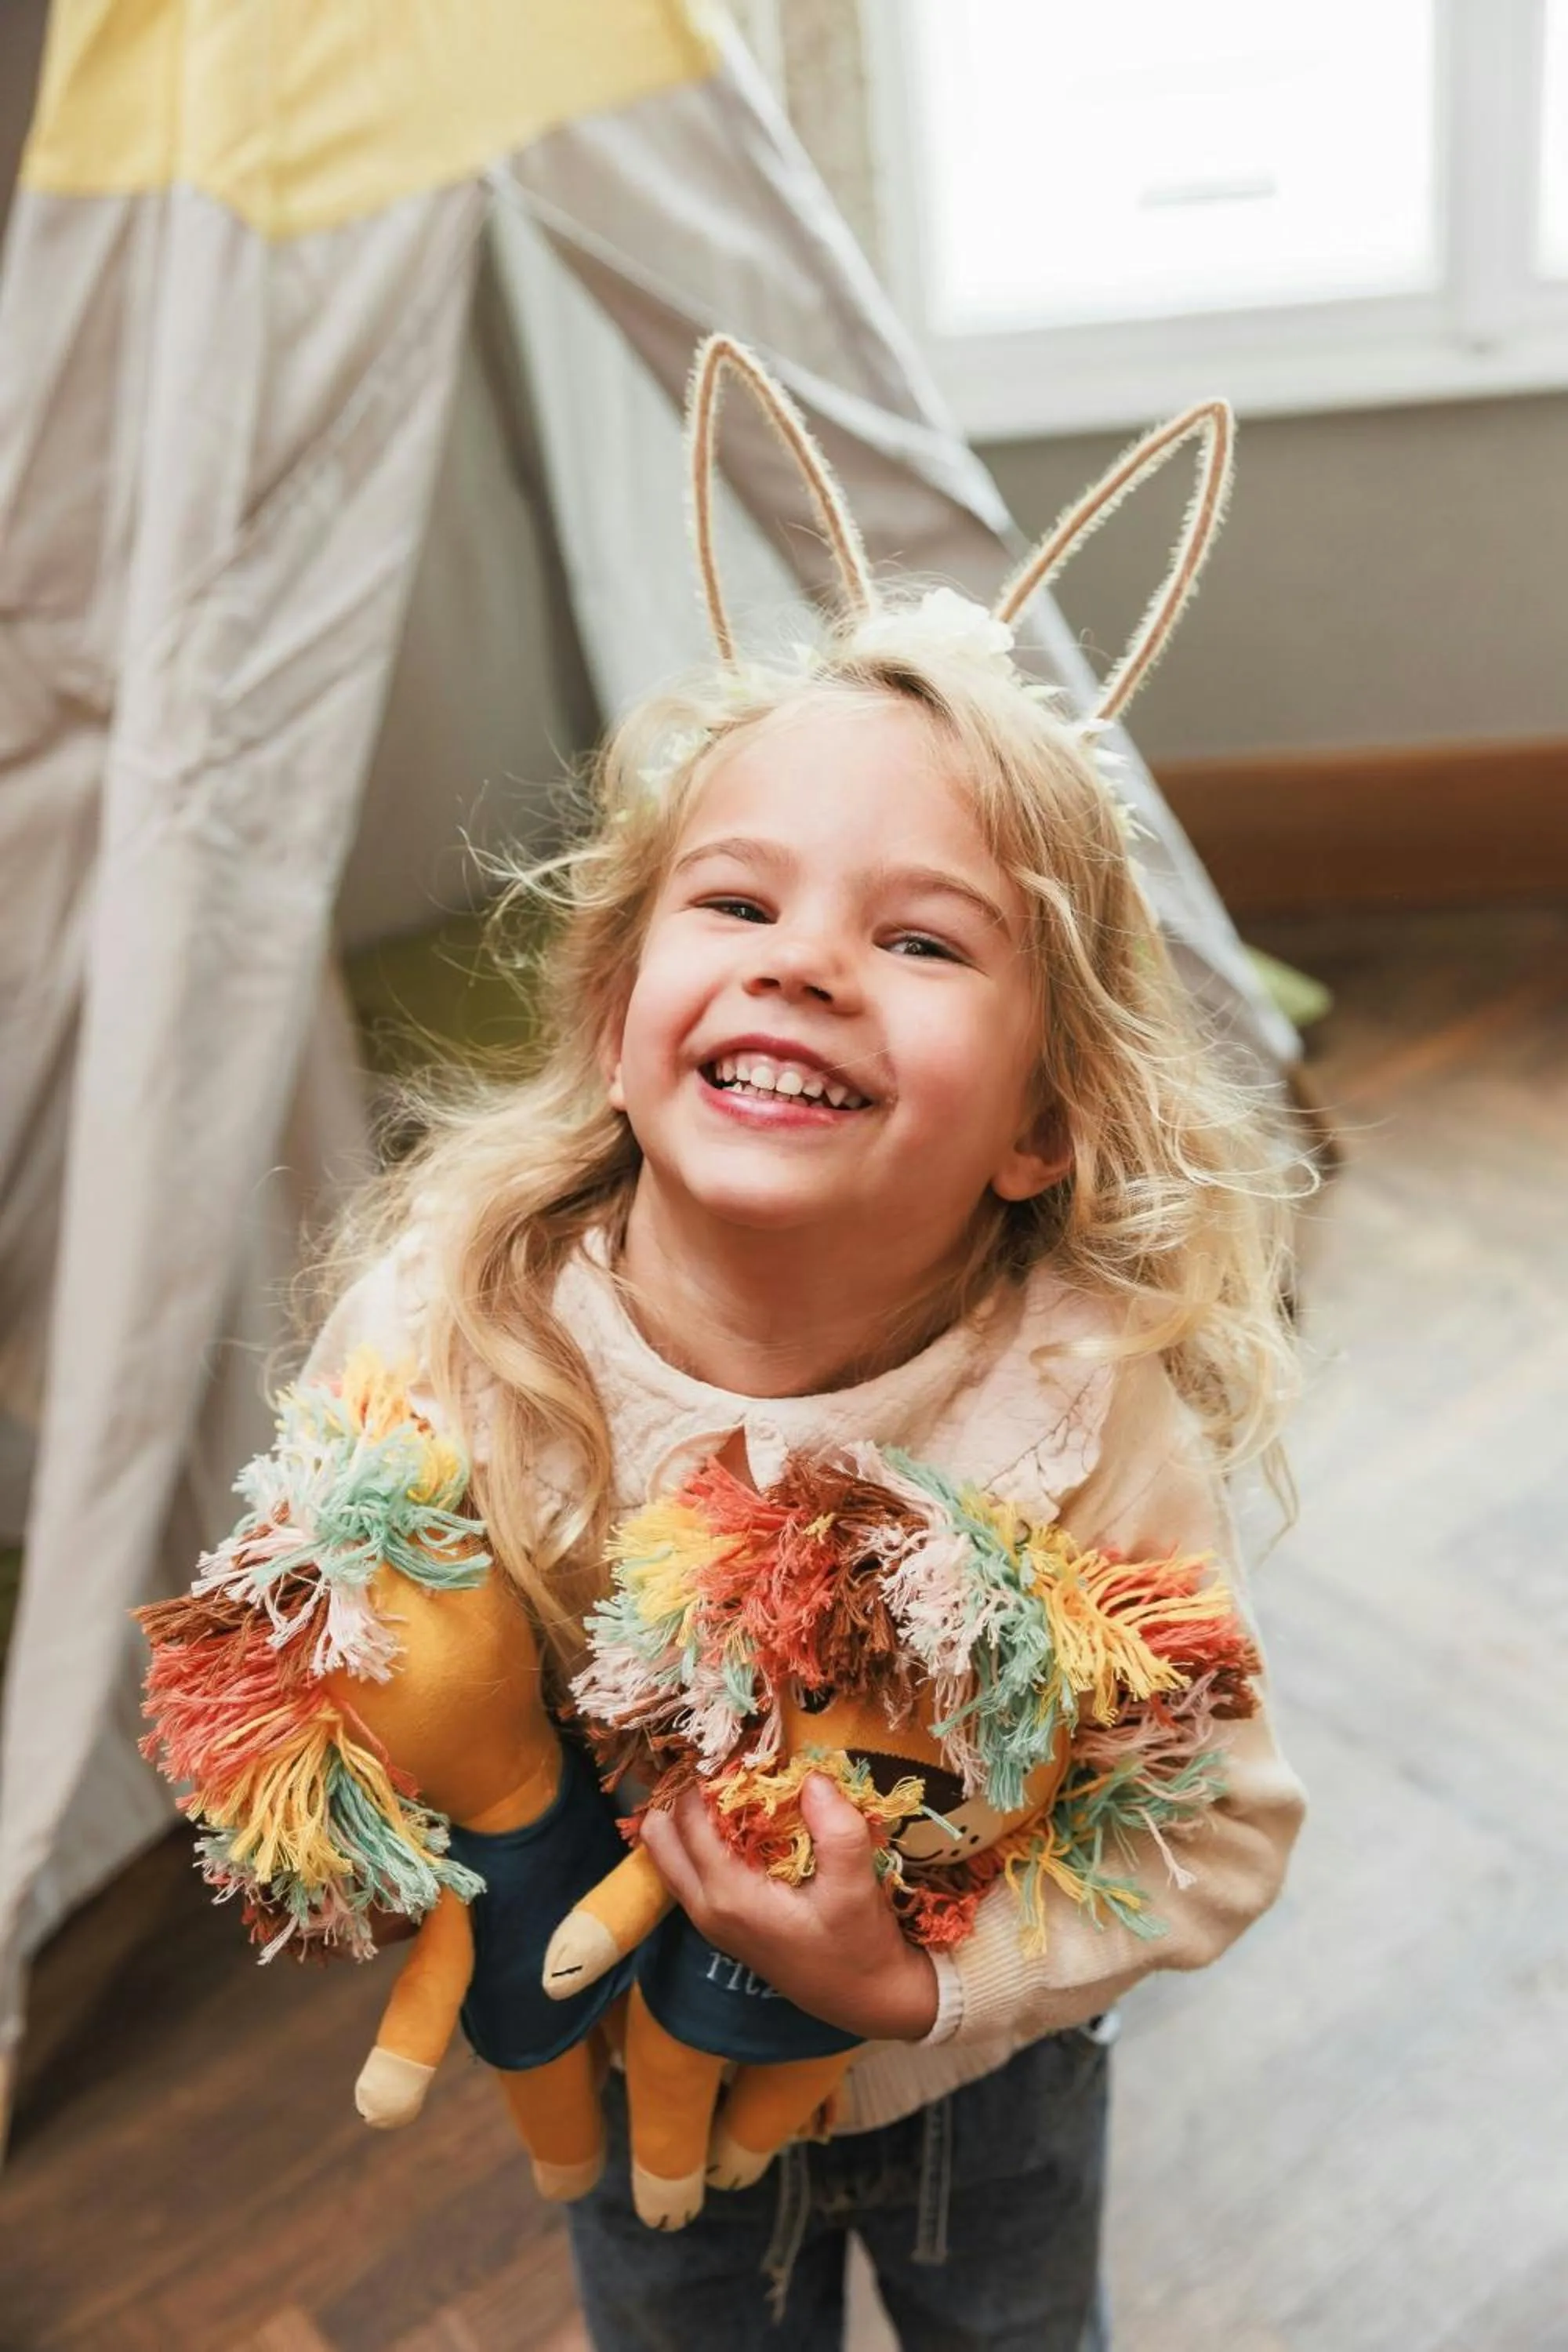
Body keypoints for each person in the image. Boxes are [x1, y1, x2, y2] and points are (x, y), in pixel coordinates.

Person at [301, 343, 1308, 2349]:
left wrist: (917, 1984)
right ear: (614, 1015)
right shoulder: (467, 1314)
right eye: (736, 899)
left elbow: (1214, 1820)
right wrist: (411, 1834)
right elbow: (336, 1622)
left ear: (1043, 1123)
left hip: (972, 2080)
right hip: (621, 2059)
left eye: (921, 940)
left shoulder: (1073, 1400)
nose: (803, 959)